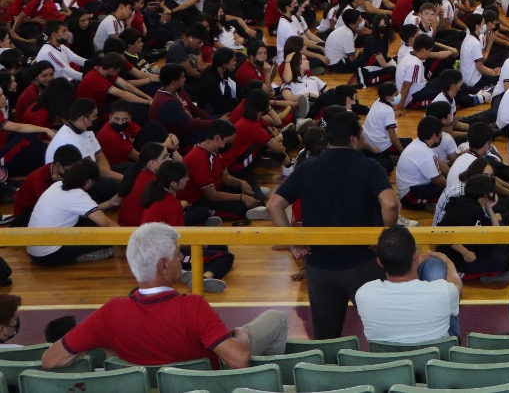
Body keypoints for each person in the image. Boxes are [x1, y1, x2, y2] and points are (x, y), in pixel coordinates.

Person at [41, 222, 288, 369]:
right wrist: (242, 336)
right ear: (163, 265)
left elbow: (50, 360)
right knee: (277, 318)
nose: (181, 258)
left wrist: (98, 347)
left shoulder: (109, 314)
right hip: (206, 385)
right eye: (177, 254)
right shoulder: (193, 307)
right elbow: (238, 360)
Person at [266, 110, 399, 339]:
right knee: (382, 332)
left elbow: (274, 206)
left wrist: (293, 242)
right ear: (354, 139)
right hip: (362, 263)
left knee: (326, 338)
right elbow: (390, 204)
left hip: (320, 267)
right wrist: (382, 237)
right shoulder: (369, 167)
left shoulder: (307, 167)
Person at [353, 226, 461, 346]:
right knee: (435, 264)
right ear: (415, 255)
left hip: (386, 357)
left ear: (379, 262)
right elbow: (457, 286)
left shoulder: (363, 294)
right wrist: (447, 261)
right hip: (435, 356)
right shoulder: (444, 292)